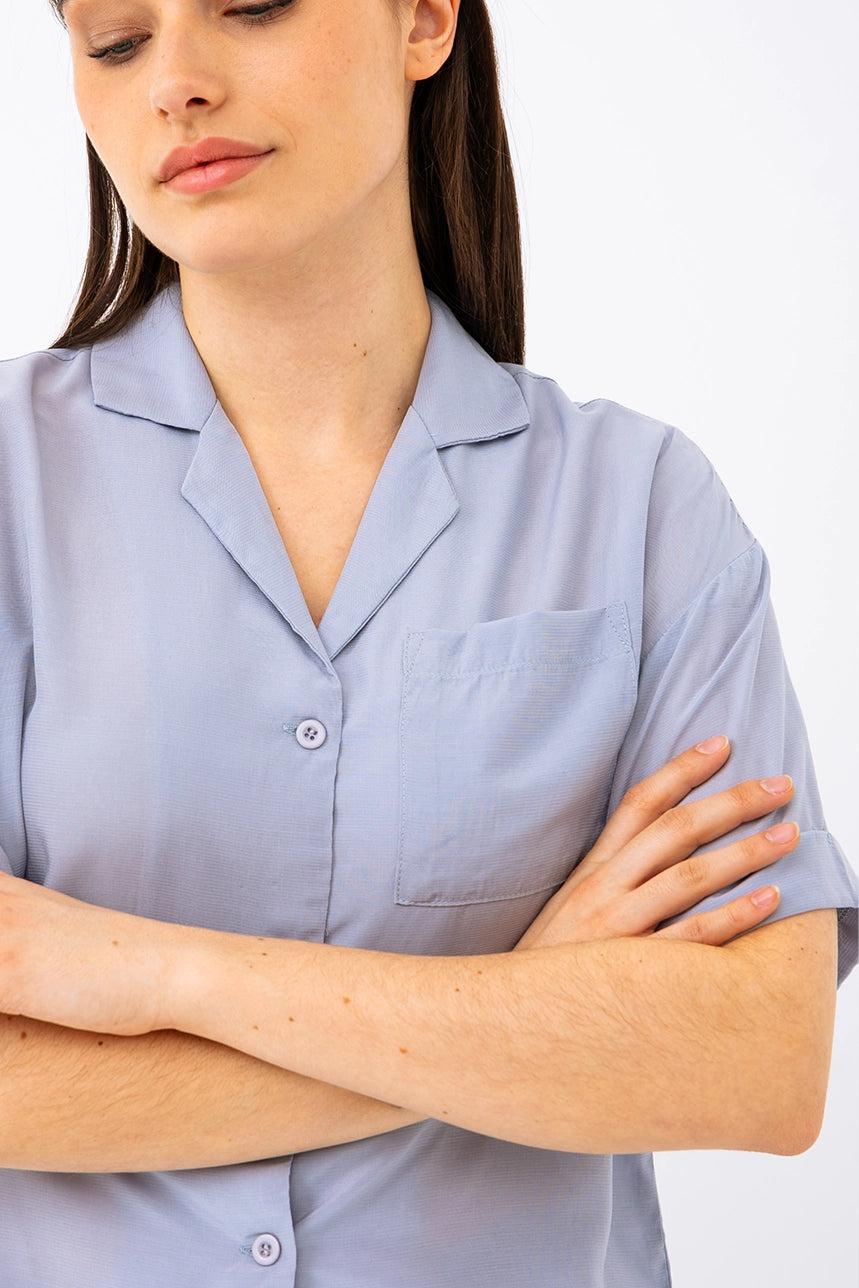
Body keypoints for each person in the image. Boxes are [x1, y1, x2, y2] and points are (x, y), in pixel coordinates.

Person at [0, 1, 855, 1285]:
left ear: (423, 18)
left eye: (252, 5)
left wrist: (155, 974)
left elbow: (753, 1063)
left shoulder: (637, 505)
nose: (174, 83)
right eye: (116, 41)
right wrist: (526, 1005)